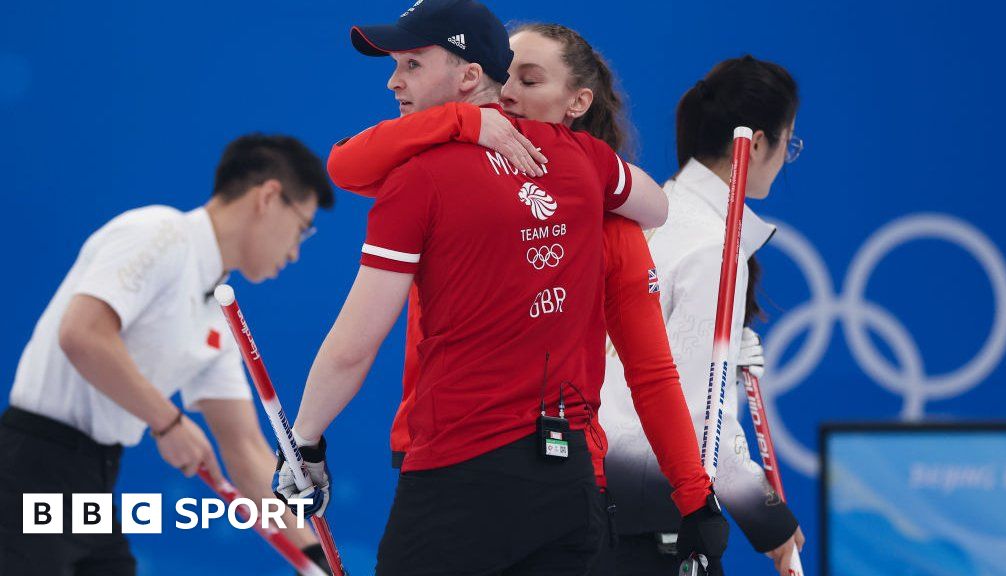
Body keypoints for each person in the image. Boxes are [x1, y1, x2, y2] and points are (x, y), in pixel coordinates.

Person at [271, 1, 704, 574]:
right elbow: (655, 205)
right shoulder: (583, 158)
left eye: (412, 64)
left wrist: (304, 441)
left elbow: (355, 344)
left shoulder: (417, 178)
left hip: (460, 475)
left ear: (469, 75)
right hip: (569, 482)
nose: (393, 80)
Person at [0, 134, 335, 575]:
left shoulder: (219, 310)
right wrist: (169, 422)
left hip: (95, 482)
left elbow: (245, 449)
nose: (294, 252)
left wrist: (314, 558)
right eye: (301, 228)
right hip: (31, 470)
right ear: (269, 197)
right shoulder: (159, 233)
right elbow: (82, 334)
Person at [600, 55, 806, 575]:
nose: (787, 158)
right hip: (650, 513)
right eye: (790, 142)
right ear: (757, 144)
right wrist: (770, 520)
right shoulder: (710, 245)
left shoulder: (661, 212)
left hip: (608, 498)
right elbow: (698, 418)